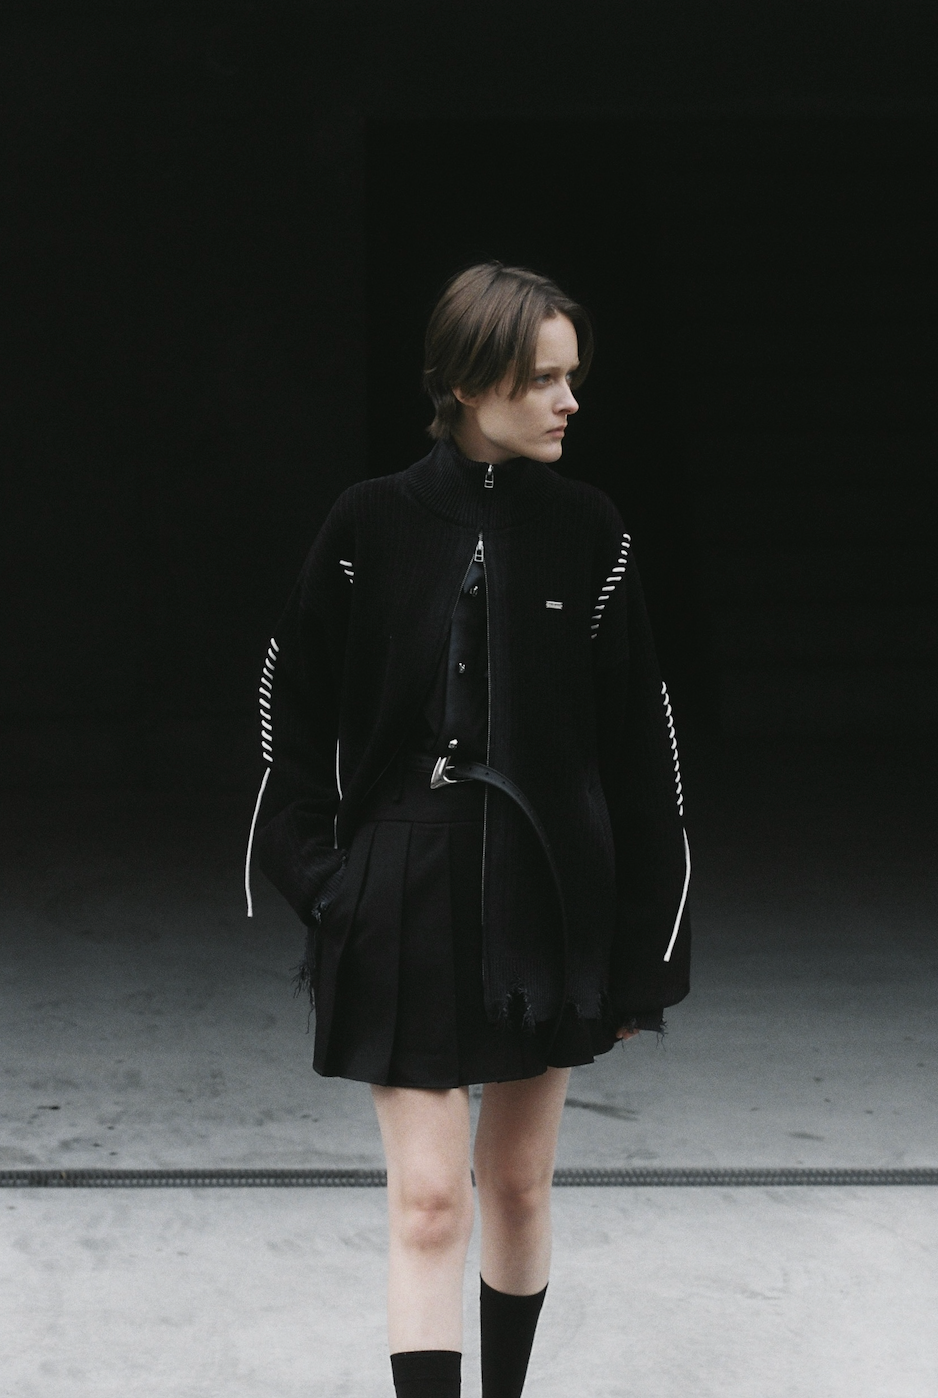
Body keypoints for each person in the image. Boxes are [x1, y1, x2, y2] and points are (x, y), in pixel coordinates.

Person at [245, 262, 691, 1398]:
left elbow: (641, 745)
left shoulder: (591, 530)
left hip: (552, 890)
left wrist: (645, 949)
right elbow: (289, 697)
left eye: (571, 376)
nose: (568, 401)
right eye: (541, 378)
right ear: (465, 382)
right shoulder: (369, 521)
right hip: (399, 885)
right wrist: (320, 878)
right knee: (431, 1200)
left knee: (520, 1186)